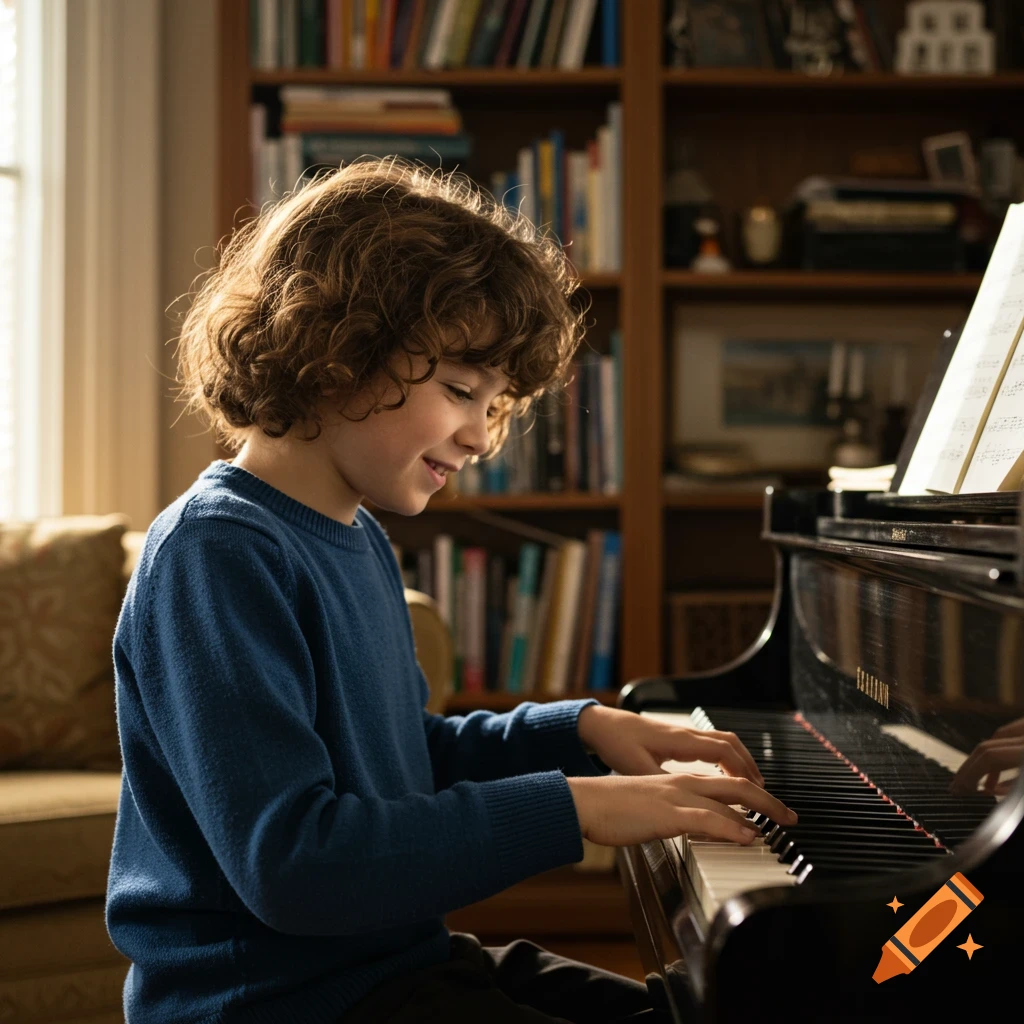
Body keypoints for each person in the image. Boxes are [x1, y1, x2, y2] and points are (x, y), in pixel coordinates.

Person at [105, 159, 797, 1024]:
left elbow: (394, 768)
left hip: (386, 968)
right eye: (461, 391)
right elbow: (297, 865)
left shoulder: (351, 536)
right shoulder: (216, 554)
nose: (480, 436)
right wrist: (575, 807)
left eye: (496, 403)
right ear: (335, 347)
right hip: (273, 1002)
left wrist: (580, 731)